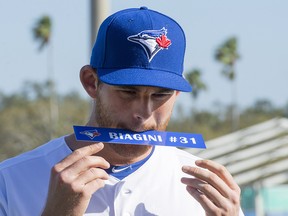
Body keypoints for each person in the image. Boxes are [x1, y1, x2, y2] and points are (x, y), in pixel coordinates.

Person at [0, 7, 244, 216]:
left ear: (177, 94)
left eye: (161, 95)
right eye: (128, 92)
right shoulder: (11, 181)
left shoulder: (209, 193)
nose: (144, 113)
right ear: (91, 82)